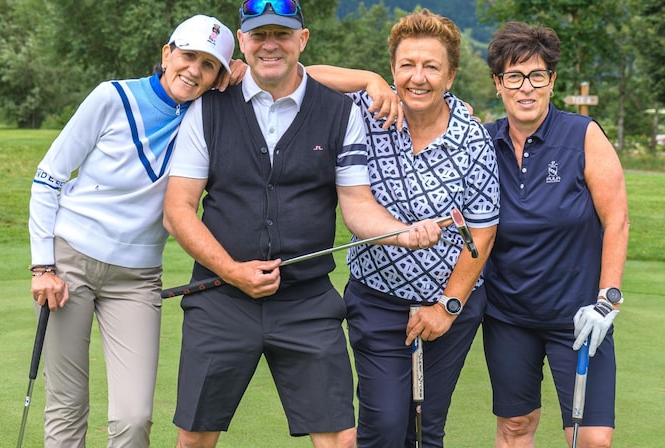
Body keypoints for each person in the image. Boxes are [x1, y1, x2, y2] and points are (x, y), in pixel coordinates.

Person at [161, 1, 445, 447]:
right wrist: (233, 271)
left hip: (307, 302)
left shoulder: (339, 112)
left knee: (339, 439)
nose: (270, 45)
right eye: (259, 35)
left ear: (302, 40)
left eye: (282, 34)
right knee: (195, 437)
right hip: (219, 297)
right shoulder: (209, 108)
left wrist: (402, 233)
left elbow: (356, 204)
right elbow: (178, 210)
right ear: (243, 42)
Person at [28, 15, 238, 447]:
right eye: (188, 56)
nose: (194, 70)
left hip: (137, 278)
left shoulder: (209, 113)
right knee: (67, 406)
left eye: (209, 65)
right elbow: (48, 176)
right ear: (167, 53)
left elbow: (298, 76)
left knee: (135, 416)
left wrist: (370, 81)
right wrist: (42, 266)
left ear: (220, 76)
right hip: (69, 264)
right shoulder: (112, 96)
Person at [308, 9, 500, 447]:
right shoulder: (368, 109)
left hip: (450, 306)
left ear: (450, 76)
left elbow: (482, 233)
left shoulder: (472, 138)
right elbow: (300, 79)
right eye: (407, 65)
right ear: (394, 69)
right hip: (376, 300)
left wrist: (446, 307)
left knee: (425, 430)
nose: (418, 77)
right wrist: (367, 80)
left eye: (431, 66)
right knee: (384, 428)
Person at [482, 21, 629, 448]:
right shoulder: (482, 141)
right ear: (498, 84)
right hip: (508, 317)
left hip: (581, 319)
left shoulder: (584, 136)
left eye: (536, 75)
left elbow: (616, 220)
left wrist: (609, 300)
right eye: (514, 76)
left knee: (591, 438)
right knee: (514, 427)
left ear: (552, 81)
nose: (525, 87)